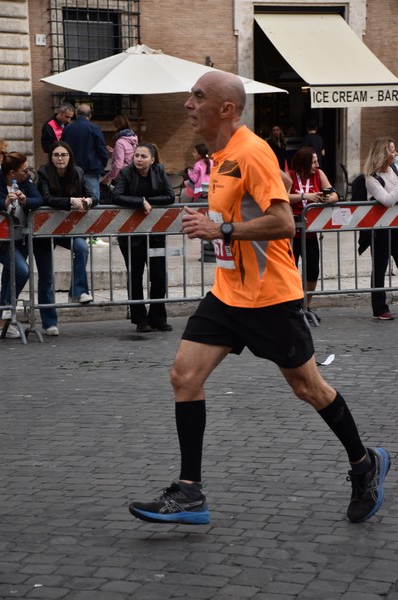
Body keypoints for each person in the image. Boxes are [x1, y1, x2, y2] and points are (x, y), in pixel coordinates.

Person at [128, 71, 390, 526]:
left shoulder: (253, 151)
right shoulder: (220, 154)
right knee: (183, 376)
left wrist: (221, 229)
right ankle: (190, 492)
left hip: (270, 297)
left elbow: (284, 223)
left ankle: (365, 463)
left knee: (308, 387)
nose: (188, 104)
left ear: (226, 109)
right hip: (228, 294)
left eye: (198, 96)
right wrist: (213, 222)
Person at [112, 142, 175, 332]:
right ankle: (140, 319)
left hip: (155, 235)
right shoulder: (126, 173)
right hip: (132, 235)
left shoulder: (159, 171)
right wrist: (140, 202)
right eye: (136, 155)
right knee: (136, 274)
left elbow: (170, 196)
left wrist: (148, 202)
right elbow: (116, 196)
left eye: (143, 156)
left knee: (158, 275)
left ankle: (158, 317)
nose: (139, 159)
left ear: (152, 159)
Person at [37, 141, 98, 333]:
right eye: (56, 155)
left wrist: (89, 200)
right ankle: (49, 322)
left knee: (81, 247)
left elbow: (94, 196)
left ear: (70, 157)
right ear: (51, 157)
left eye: (64, 155)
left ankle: (78, 291)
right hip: (44, 232)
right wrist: (71, 201)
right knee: (46, 276)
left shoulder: (78, 172)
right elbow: (47, 199)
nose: (60, 158)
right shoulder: (44, 172)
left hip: (68, 229)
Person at [288, 147, 338, 320]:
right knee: (290, 271)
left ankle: (306, 305)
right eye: (314, 162)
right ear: (304, 163)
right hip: (291, 233)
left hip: (310, 232)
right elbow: (282, 196)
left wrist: (327, 199)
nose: (317, 165)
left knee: (312, 271)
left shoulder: (319, 174)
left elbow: (334, 194)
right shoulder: (290, 175)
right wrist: (305, 196)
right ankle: (291, 306)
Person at [0, 152, 43, 338]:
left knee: (10, 275)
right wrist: (4, 202)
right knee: (21, 270)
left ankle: (3, 321)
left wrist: (25, 201)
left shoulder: (26, 181)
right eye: (24, 170)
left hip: (19, 237)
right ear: (11, 172)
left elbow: (39, 199)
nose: (28, 173)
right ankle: (6, 314)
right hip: (1, 240)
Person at [62, 103, 109, 246]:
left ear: (76, 114)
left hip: (71, 170)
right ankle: (93, 235)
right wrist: (102, 164)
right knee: (92, 201)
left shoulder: (68, 129)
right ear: (90, 115)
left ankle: (74, 232)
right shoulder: (94, 128)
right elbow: (101, 149)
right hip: (90, 170)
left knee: (73, 200)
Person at [364, 137, 398, 320]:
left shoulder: (394, 170)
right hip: (380, 230)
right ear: (384, 154)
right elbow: (388, 201)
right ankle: (379, 308)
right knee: (380, 266)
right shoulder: (371, 178)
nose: (395, 153)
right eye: (392, 150)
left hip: (397, 227)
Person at [101, 115, 138, 186]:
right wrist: (114, 151)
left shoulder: (120, 142)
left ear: (118, 127)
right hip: (132, 174)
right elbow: (128, 154)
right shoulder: (133, 138)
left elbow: (118, 165)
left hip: (121, 177)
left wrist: (108, 177)